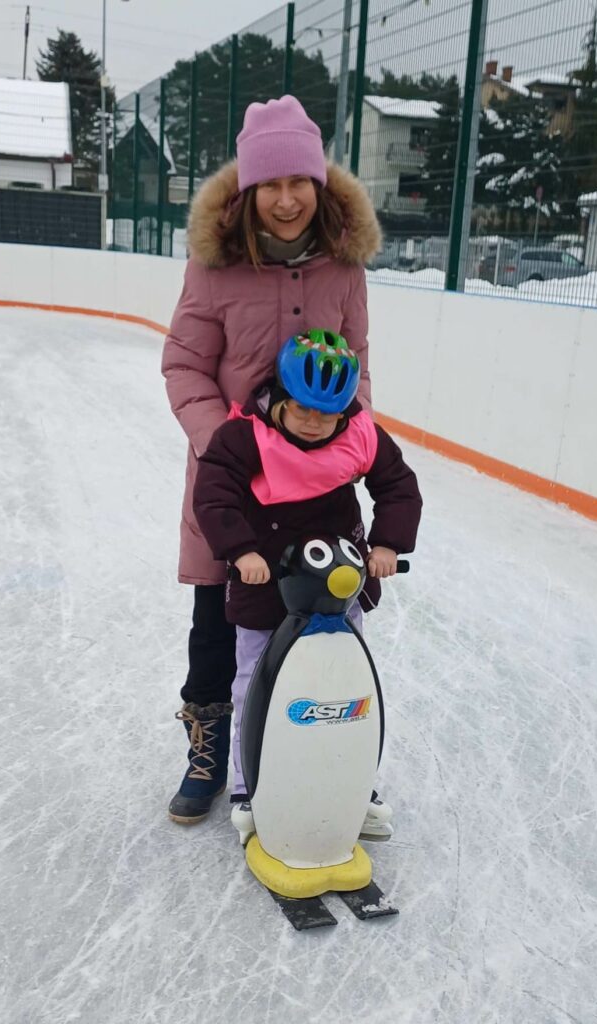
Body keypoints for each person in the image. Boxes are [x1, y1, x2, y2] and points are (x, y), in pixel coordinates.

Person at [162, 95, 382, 825]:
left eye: (299, 183)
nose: (286, 201)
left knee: (322, 619)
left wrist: (348, 447)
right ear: (249, 190)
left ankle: (319, 750)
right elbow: (184, 366)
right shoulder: (214, 267)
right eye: (270, 185)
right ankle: (211, 748)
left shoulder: (344, 268)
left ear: (318, 183)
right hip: (231, 486)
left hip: (315, 494)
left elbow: (356, 367)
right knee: (217, 625)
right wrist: (225, 446)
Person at [192, 330, 422, 843]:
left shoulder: (361, 434)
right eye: (303, 410)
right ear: (279, 396)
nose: (315, 423)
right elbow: (213, 493)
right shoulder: (245, 437)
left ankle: (350, 783)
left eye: (329, 414)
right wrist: (241, 551)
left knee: (342, 683)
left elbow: (398, 485)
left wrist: (387, 544)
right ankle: (250, 786)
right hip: (265, 582)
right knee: (257, 681)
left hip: (339, 582)